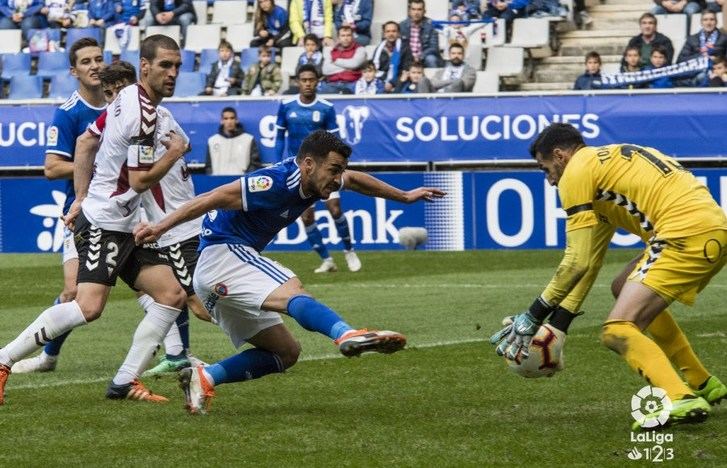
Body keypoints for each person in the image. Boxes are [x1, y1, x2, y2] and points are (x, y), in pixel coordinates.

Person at [133, 129, 446, 414]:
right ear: (308, 164)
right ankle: (346, 334)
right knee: (293, 291)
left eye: (339, 171)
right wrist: (160, 227)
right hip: (223, 254)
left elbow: (355, 179)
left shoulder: (319, 179)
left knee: (285, 352)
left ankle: (204, 377)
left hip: (215, 274)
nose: (337, 180)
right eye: (333, 171)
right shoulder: (276, 181)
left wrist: (404, 196)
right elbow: (210, 198)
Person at [490, 123, 727, 430]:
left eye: (545, 168)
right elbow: (589, 262)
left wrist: (533, 316)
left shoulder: (575, 174)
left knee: (617, 330)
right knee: (621, 285)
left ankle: (678, 397)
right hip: (714, 229)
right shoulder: (605, 167)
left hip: (681, 236)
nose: (549, 180)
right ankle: (702, 382)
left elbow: (574, 261)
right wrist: (559, 324)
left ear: (560, 156)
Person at [0, 35, 190, 406]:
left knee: (171, 295)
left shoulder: (125, 99)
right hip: (106, 223)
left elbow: (87, 143)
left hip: (119, 221)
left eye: (178, 67)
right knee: (87, 305)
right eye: (166, 66)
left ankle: (124, 381)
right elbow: (140, 180)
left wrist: (82, 197)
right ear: (146, 67)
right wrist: (176, 153)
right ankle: (3, 360)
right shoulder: (142, 113)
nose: (173, 74)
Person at [71, 60, 211, 377]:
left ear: (132, 84)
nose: (112, 98)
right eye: (107, 93)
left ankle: (265, 315)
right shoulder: (139, 115)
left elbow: (143, 175)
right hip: (158, 220)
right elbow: (87, 143)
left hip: (173, 223)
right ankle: (174, 355)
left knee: (198, 303)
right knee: (164, 291)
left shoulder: (146, 119)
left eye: (116, 91)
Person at [11, 38, 107, 374]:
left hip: (127, 210)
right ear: (74, 70)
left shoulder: (121, 105)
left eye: (98, 59)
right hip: (85, 212)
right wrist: (98, 167)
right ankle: (48, 358)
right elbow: (52, 168)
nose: (94, 66)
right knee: (71, 293)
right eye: (86, 62)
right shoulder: (69, 113)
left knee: (163, 288)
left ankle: (177, 353)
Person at [275, 64, 361, 273]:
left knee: (335, 209)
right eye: (303, 80)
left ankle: (349, 250)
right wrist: (277, 163)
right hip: (300, 171)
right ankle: (327, 259)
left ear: (317, 81)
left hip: (325, 170)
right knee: (306, 217)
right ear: (298, 82)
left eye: (311, 80)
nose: (307, 84)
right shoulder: (286, 106)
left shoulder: (326, 107)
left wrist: (336, 168)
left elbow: (336, 142)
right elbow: (279, 138)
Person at [206, 107, 262, 175]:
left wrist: (245, 179)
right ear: (221, 121)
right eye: (226, 118)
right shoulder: (212, 141)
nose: (229, 121)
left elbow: (255, 164)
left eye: (232, 118)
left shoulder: (248, 139)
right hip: (218, 182)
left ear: (237, 120)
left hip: (240, 182)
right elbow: (209, 166)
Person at [319, 25, 366, 94]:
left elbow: (354, 64)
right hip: (332, 84)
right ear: (338, 38)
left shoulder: (360, 49)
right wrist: (348, 68)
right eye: (343, 36)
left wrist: (335, 61)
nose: (346, 38)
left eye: (348, 35)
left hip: (352, 84)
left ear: (352, 37)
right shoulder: (331, 50)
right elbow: (325, 70)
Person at [399, 0, 443, 68]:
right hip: (407, 58)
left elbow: (434, 48)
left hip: (424, 57)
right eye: (413, 9)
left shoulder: (431, 25)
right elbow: (400, 47)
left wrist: (420, 57)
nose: (416, 12)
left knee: (431, 59)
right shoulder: (402, 26)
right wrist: (409, 57)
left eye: (419, 9)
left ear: (424, 11)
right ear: (409, 11)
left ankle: (434, 78)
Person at [372, 21, 411, 93]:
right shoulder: (379, 50)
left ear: (398, 33)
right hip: (382, 81)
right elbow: (374, 70)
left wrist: (392, 83)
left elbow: (406, 70)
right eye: (388, 31)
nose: (391, 34)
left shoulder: (405, 48)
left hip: (400, 82)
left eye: (394, 31)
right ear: (384, 34)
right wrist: (384, 82)